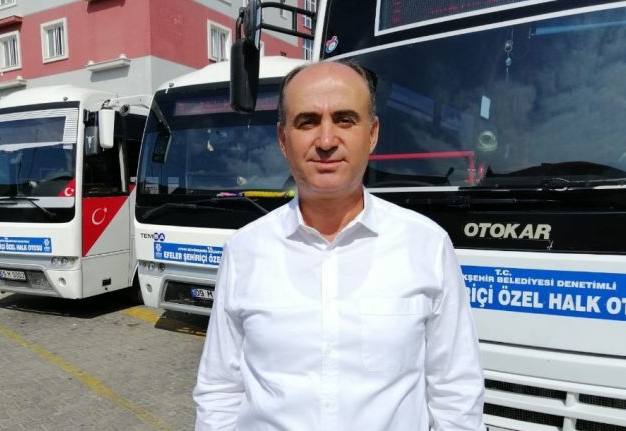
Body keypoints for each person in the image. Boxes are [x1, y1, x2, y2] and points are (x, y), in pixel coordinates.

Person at [193, 60, 485, 430]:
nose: (327, 141)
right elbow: (219, 388)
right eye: (307, 122)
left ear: (372, 133)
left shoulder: (426, 245)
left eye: (345, 120)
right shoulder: (244, 251)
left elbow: (456, 391)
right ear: (282, 139)